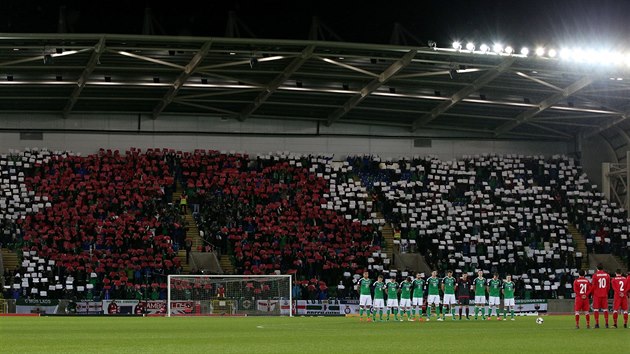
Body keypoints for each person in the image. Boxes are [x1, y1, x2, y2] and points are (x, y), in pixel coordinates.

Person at [591, 263, 611, 328]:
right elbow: (608, 286)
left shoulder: (595, 275)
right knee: (605, 309)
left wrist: (592, 294)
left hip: (597, 295)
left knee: (596, 310)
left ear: (597, 268)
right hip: (604, 294)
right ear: (603, 268)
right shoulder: (607, 275)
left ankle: (597, 324)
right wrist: (606, 292)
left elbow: (593, 286)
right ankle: (607, 324)